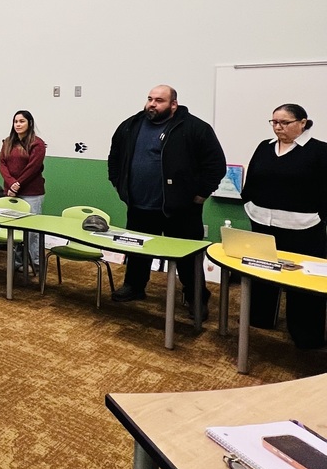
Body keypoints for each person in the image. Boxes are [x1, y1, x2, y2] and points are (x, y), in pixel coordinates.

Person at [107, 85, 226, 313]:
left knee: (187, 257)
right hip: (139, 206)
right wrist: (118, 184)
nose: (152, 104)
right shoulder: (131, 125)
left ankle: (196, 296)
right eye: (150, 99)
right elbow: (115, 157)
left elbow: (215, 165)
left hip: (181, 209)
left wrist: (201, 195)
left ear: (173, 104)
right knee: (137, 251)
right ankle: (134, 286)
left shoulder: (194, 128)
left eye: (159, 100)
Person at [240, 104, 327, 348]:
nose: (278, 127)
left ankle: (305, 333)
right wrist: (248, 203)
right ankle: (261, 318)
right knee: (262, 271)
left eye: (285, 122)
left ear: (303, 122)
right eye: (274, 122)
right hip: (263, 222)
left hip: (304, 229)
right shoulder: (265, 147)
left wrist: (321, 217)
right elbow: (254, 178)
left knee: (302, 281)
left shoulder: (320, 151)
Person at [0, 110, 46, 270]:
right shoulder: (7, 142)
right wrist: (11, 183)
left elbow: (33, 167)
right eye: (15, 121)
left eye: (21, 121)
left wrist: (18, 184)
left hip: (32, 192)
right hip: (11, 191)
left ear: (29, 123)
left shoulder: (37, 144)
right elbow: (2, 164)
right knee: (15, 228)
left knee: (32, 230)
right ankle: (18, 262)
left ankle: (35, 262)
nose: (18, 124)